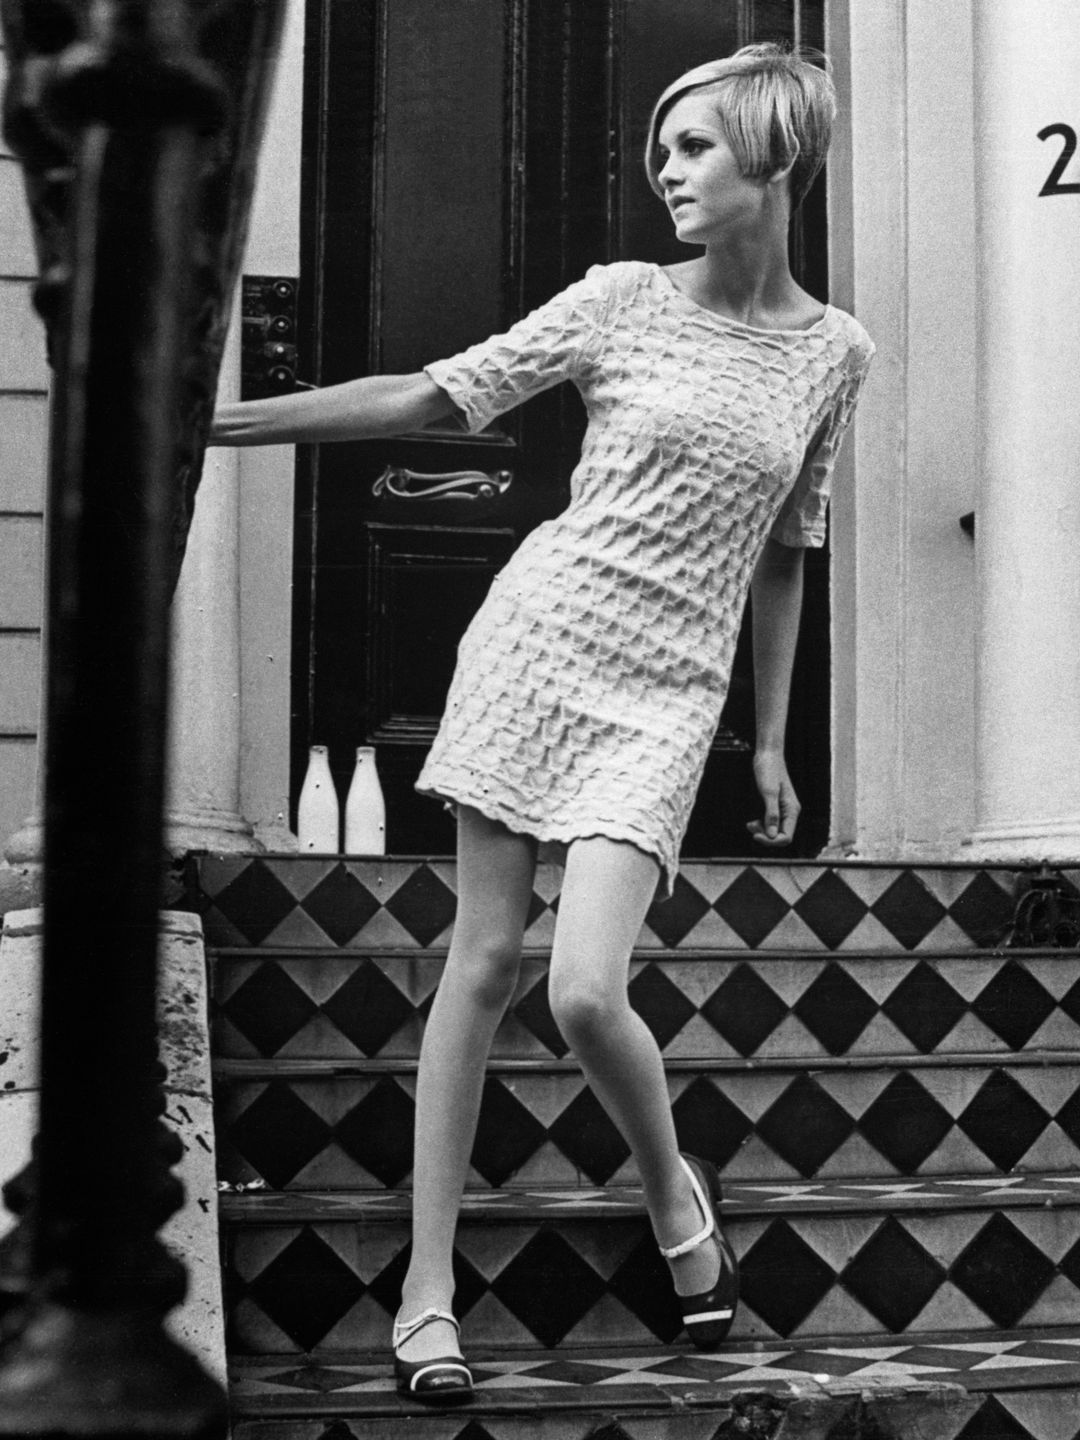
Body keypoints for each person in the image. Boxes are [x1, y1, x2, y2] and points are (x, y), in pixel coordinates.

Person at [211, 42, 874, 1407]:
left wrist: (764, 740)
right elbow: (436, 393)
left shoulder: (835, 352)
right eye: (661, 150)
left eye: (695, 147)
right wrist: (221, 423)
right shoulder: (620, 300)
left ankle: (673, 1197)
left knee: (582, 987)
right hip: (541, 639)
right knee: (483, 958)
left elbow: (790, 549)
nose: (666, 172)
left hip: (670, 689)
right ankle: (428, 1293)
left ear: (778, 152)